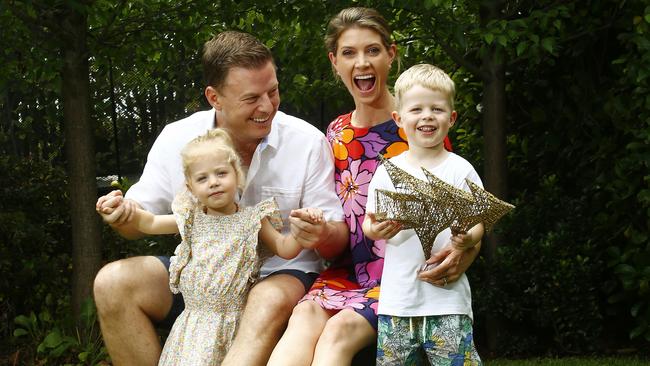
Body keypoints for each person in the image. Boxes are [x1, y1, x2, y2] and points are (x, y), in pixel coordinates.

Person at [93, 31, 348, 366]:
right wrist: (122, 214)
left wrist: (318, 233)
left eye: (273, 91)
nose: (267, 106)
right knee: (112, 282)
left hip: (280, 273)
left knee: (267, 298)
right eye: (251, 98)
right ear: (215, 97)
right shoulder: (177, 139)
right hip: (205, 276)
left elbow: (337, 235)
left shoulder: (306, 142)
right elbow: (139, 219)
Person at [268, 8, 479, 366]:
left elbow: (463, 212)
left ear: (391, 55)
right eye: (349, 53)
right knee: (303, 317)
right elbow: (340, 226)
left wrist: (466, 253)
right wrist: (316, 227)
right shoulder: (335, 134)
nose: (362, 62)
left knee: (337, 334)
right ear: (334, 62)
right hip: (347, 272)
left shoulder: (420, 124)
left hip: (403, 278)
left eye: (373, 50)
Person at [106, 128, 323, 365]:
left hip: (233, 324)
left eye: (221, 173)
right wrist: (118, 207)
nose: (213, 183)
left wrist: (303, 229)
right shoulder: (192, 218)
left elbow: (284, 247)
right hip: (192, 326)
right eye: (202, 178)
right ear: (190, 188)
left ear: (237, 175)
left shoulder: (253, 220)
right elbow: (148, 222)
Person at [363, 63, 484, 365]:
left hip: (447, 301)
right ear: (399, 119)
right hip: (398, 303)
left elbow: (479, 220)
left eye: (437, 109)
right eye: (416, 109)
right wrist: (375, 230)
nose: (427, 116)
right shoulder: (387, 171)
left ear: (451, 118)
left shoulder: (460, 168)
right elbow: (369, 221)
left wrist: (466, 238)